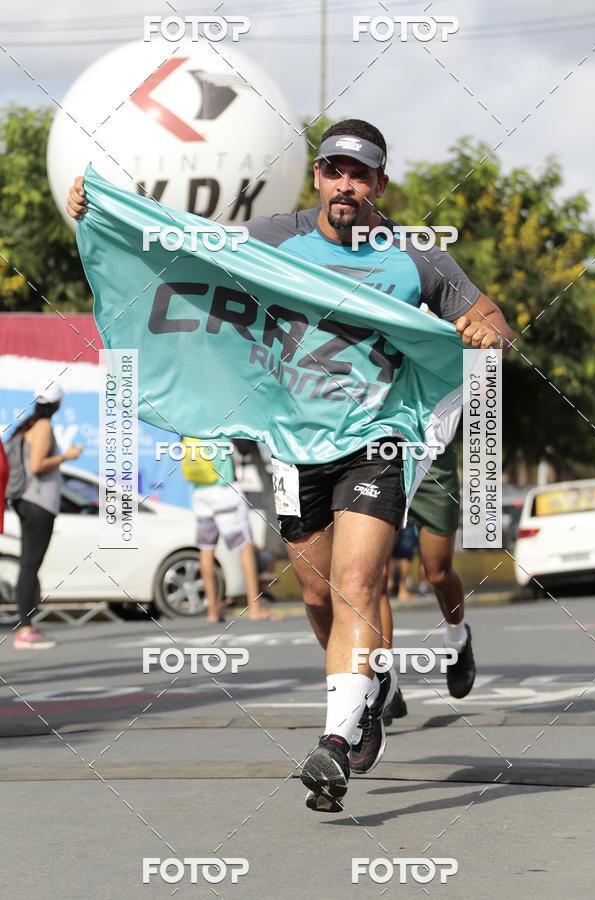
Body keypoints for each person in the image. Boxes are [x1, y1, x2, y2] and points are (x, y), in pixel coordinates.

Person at [66, 118, 513, 811]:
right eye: (335, 170)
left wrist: (488, 331)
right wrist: (101, 212)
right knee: (316, 596)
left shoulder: (416, 256)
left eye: (360, 174)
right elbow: (182, 247)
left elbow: (495, 321)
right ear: (318, 176)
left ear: (380, 183)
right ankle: (369, 688)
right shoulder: (274, 236)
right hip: (294, 442)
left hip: (378, 438)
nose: (346, 185)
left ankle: (334, 741)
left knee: (358, 582)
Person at [9, 383, 83, 649]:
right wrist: (67, 456)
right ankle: (24, 630)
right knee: (30, 565)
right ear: (57, 404)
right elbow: (37, 465)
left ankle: (27, 625)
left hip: (27, 501)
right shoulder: (43, 427)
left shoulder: (28, 426)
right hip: (37, 502)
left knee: (29, 565)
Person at [183, 438, 274, 624]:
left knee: (206, 549)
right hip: (225, 489)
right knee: (245, 546)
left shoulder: (189, 424)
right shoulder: (222, 422)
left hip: (200, 491)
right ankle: (255, 608)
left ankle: (212, 610)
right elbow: (244, 448)